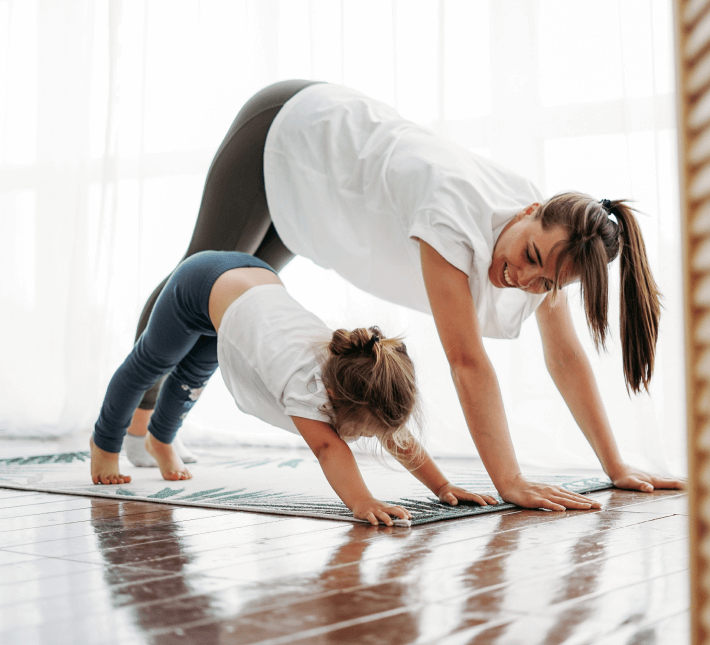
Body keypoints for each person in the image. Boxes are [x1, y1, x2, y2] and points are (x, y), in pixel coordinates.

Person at [126, 80, 685, 511]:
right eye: (531, 259)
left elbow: (565, 356)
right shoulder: (452, 215)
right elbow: (468, 362)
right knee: (199, 275)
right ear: (527, 212)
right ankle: (135, 425)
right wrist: (508, 481)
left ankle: (155, 428)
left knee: (234, 293)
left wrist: (616, 464)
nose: (525, 280)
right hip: (290, 129)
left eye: (547, 284)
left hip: (320, 194)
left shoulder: (561, 243)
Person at [91, 250, 523, 526]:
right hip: (200, 282)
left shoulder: (357, 374)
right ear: (334, 399)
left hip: (251, 285)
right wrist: (362, 502)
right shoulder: (305, 385)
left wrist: (442, 486)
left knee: (191, 379)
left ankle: (161, 440)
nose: (369, 438)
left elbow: (396, 434)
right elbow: (329, 449)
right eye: (364, 431)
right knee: (152, 363)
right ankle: (104, 443)